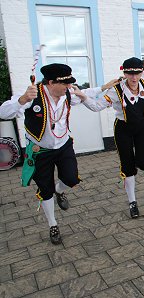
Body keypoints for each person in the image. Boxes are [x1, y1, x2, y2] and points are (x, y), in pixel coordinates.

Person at [0, 63, 104, 244]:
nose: (69, 87)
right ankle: (52, 224)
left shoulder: (68, 94)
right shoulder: (33, 95)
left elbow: (89, 92)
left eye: (70, 84)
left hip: (63, 145)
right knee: (44, 189)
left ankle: (60, 191)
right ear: (51, 83)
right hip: (41, 150)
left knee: (71, 178)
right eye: (65, 84)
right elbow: (3, 111)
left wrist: (105, 87)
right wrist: (23, 99)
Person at [82, 57, 144, 219]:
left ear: (142, 72)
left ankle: (132, 168)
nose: (133, 78)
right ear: (124, 73)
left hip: (142, 127)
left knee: (142, 162)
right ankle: (132, 201)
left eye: (137, 73)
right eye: (129, 73)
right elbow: (97, 106)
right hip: (123, 129)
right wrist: (83, 96)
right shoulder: (115, 90)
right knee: (127, 166)